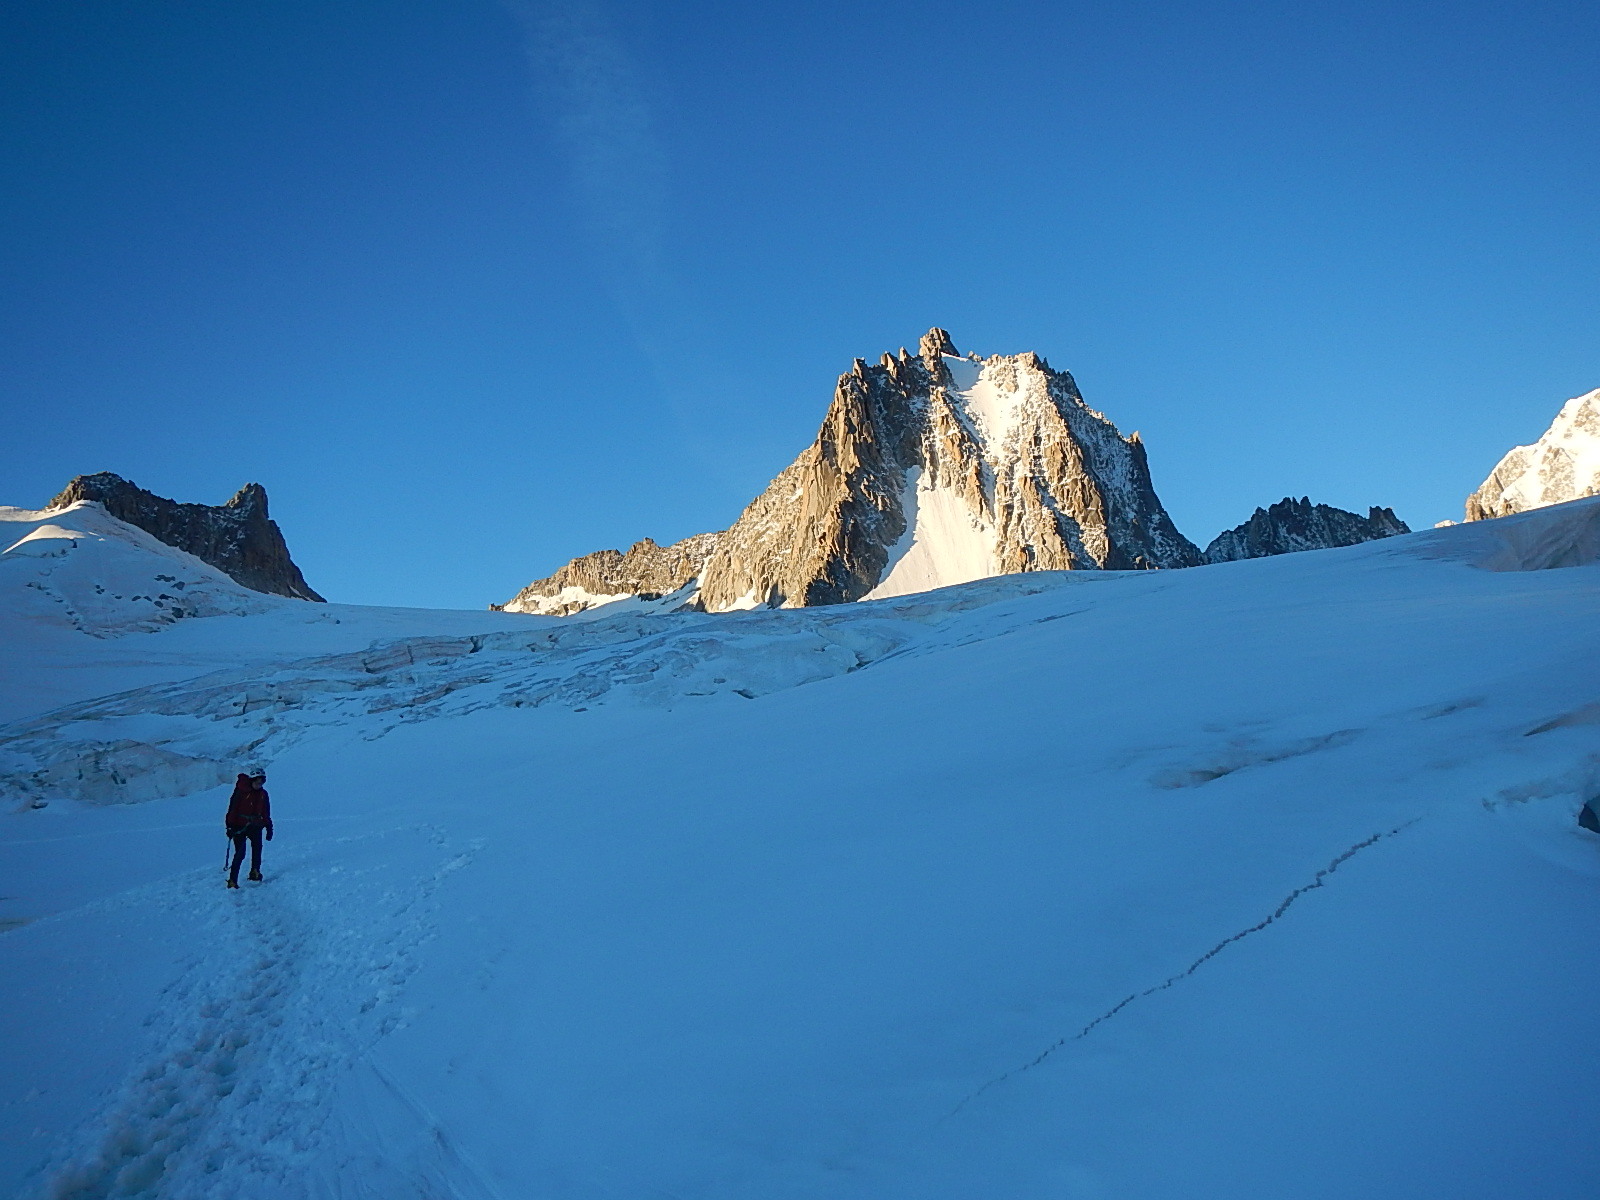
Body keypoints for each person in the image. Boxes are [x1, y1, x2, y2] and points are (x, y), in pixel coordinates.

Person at [225, 769, 273, 888]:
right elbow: (232, 810)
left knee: (257, 850)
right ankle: (232, 880)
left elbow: (265, 812)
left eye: (261, 783)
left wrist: (269, 827)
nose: (259, 785)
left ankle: (255, 872)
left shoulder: (263, 794)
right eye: (257, 782)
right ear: (251, 781)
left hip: (256, 826)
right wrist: (230, 826)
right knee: (240, 853)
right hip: (239, 826)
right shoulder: (241, 792)